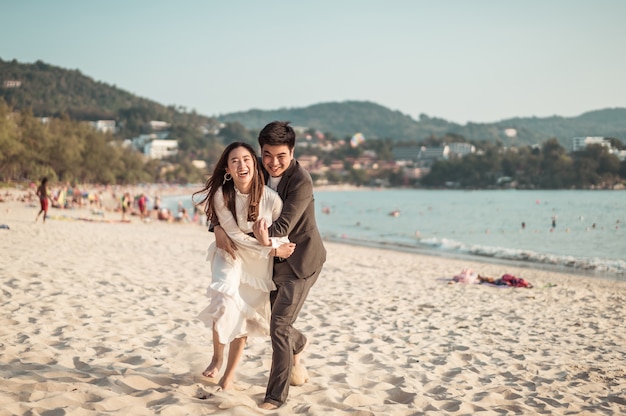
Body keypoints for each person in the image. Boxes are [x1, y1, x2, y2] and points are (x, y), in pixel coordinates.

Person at [214, 121, 326, 409]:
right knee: (276, 323)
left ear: (292, 152)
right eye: (267, 155)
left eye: (281, 157)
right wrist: (216, 226)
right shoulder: (258, 169)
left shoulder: (301, 180)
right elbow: (228, 195)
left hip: (299, 260)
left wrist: (258, 237)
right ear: (260, 152)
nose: (273, 163)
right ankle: (298, 344)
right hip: (268, 260)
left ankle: (275, 396)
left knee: (278, 323)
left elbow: (282, 225)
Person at [193, 141, 296, 391]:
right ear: (227, 168)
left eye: (247, 159)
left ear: (254, 164)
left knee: (243, 315)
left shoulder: (271, 199)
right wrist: (271, 247)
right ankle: (217, 357)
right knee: (223, 302)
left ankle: (228, 376)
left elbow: (281, 234)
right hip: (229, 254)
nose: (242, 164)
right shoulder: (222, 195)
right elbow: (234, 237)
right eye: (235, 160)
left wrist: (272, 245)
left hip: (257, 265)